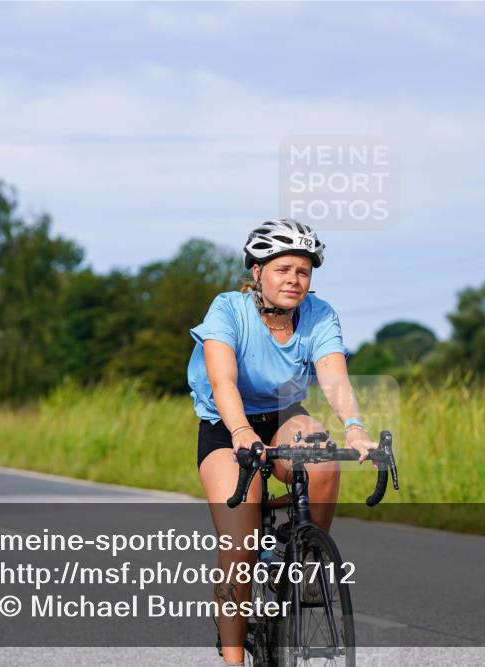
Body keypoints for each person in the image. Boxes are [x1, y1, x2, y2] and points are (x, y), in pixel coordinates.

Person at [188, 218, 377, 666]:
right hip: (227, 423)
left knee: (323, 458)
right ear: (257, 272)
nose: (295, 280)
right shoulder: (228, 310)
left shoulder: (319, 314)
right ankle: (234, 657)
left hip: (284, 415)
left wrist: (354, 425)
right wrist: (241, 433)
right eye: (283, 269)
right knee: (240, 546)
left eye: (303, 272)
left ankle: (306, 560)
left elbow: (332, 374)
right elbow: (223, 380)